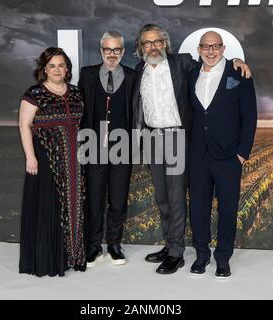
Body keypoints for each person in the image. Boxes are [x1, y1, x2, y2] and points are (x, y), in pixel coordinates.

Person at [132, 24, 251, 275]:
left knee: (177, 199)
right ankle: (171, 245)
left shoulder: (183, 64)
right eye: (147, 43)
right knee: (163, 198)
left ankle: (179, 253)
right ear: (141, 47)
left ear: (165, 44)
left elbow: (219, 67)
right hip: (153, 138)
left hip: (178, 137)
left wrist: (238, 62)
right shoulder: (139, 69)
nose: (153, 47)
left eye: (157, 42)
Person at [188, 31, 257, 278]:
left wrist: (241, 154)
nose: (210, 51)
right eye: (205, 46)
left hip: (229, 156)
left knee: (228, 210)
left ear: (223, 47)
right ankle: (201, 255)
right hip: (197, 156)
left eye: (215, 46)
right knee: (198, 209)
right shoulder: (191, 74)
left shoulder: (239, 73)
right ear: (199, 49)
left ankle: (223, 258)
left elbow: (250, 117)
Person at [18, 47, 86, 276]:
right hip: (46, 161)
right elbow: (24, 125)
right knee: (49, 208)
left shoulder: (76, 92)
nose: (57, 70)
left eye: (61, 65)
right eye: (52, 66)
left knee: (73, 206)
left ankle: (72, 256)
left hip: (74, 162)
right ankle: (49, 260)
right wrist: (31, 157)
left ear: (67, 68)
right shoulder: (34, 93)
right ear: (44, 69)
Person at [78, 31, 137, 267]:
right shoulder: (87, 74)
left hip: (123, 147)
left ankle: (114, 244)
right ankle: (93, 246)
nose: (111, 54)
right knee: (94, 198)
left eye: (116, 50)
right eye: (107, 50)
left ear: (122, 51)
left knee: (118, 199)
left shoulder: (133, 76)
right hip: (94, 147)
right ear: (101, 50)